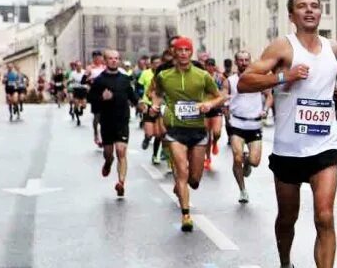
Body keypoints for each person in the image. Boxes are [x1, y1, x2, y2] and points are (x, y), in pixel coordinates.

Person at [235, 0, 337, 268]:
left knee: (325, 216)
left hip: (324, 144)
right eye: (302, 6)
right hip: (289, 148)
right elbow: (245, 82)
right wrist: (284, 76)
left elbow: (324, 89)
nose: (310, 10)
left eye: (315, 6)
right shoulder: (282, 47)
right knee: (287, 218)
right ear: (292, 15)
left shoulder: (333, 48)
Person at [146, 37, 226, 232]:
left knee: (195, 180)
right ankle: (186, 215)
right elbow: (155, 92)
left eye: (186, 50)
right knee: (182, 172)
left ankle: (183, 185)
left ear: (191, 53)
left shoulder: (202, 75)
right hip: (175, 130)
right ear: (174, 53)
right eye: (179, 50)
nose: (183, 53)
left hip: (198, 130)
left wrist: (209, 104)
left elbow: (219, 97)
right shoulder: (164, 76)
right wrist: (155, 105)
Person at [89, 49, 138, 199]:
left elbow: (132, 96)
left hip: (122, 121)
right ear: (105, 61)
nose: (114, 61)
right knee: (109, 154)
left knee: (121, 152)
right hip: (107, 122)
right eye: (110, 58)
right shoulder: (99, 80)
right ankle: (108, 162)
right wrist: (101, 98)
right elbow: (91, 101)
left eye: (116, 58)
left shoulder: (125, 79)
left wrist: (140, 104)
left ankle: (121, 183)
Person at [225, 49, 270, 204]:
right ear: (236, 62)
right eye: (241, 60)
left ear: (250, 62)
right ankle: (243, 191)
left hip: (254, 124)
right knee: (237, 158)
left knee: (255, 161)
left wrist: (265, 110)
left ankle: (248, 160)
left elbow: (269, 96)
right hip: (237, 124)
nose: (243, 63)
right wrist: (226, 112)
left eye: (246, 60)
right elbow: (223, 97)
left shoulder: (257, 79)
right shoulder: (230, 81)